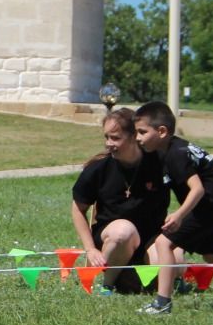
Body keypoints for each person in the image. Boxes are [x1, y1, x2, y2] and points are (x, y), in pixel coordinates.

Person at [132, 100, 213, 315]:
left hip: (211, 207)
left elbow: (197, 189)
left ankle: (162, 303)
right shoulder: (172, 148)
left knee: (163, 242)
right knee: (212, 256)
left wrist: (179, 214)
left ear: (162, 131)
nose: (138, 138)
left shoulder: (176, 154)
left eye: (141, 132)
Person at [69, 106, 169, 293]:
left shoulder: (160, 163)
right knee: (124, 231)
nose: (108, 143)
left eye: (115, 138)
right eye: (106, 137)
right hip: (113, 240)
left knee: (176, 262)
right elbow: (78, 208)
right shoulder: (98, 169)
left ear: (134, 137)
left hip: (151, 239)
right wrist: (90, 249)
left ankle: (146, 280)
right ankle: (106, 284)